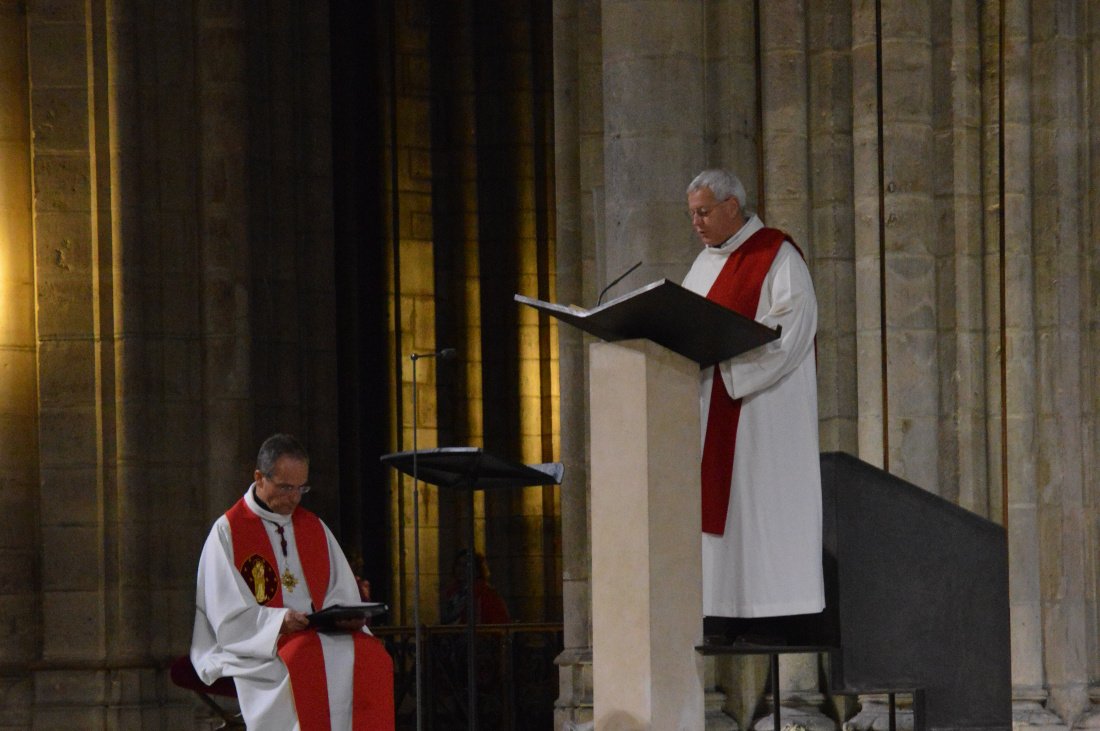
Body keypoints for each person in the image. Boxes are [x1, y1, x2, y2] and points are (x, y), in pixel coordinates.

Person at [681, 169, 825, 640]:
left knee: (761, 514)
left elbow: (791, 331)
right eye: (692, 215)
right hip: (708, 410)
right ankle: (718, 614)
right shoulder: (703, 264)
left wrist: (730, 371)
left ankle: (773, 618)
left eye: (703, 212)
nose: (697, 224)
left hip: (760, 412)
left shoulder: (776, 256)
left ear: (731, 207)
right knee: (721, 524)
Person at [190, 433, 395, 728]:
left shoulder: (313, 527)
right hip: (262, 643)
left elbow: (340, 590)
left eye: (301, 488)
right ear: (259, 478)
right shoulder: (228, 532)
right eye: (286, 487)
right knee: (303, 660)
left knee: (372, 656)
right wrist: (279, 623)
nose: (295, 498)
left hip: (317, 634)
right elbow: (226, 615)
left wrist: (346, 615)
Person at [440, 549, 511, 625]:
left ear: (477, 569)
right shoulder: (452, 592)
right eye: (459, 564)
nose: (461, 569)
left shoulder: (486, 593)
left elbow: (499, 621)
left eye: (466, 565)